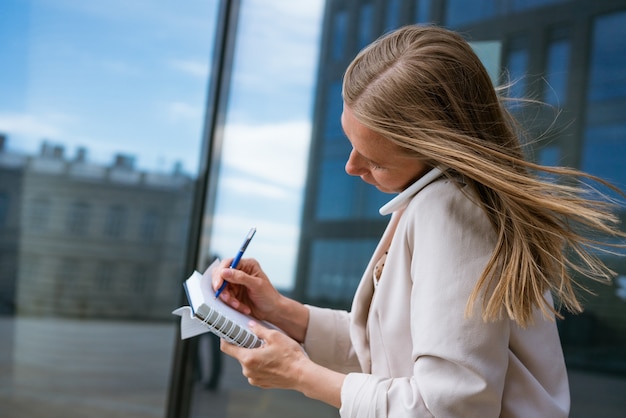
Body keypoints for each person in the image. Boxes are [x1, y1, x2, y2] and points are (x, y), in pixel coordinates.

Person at [211, 24, 625, 417]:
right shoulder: (443, 202)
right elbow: (396, 355)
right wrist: (282, 311)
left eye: (374, 160)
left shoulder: (451, 209)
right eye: (350, 144)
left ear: (439, 147)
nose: (351, 168)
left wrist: (299, 374)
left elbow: (451, 405)